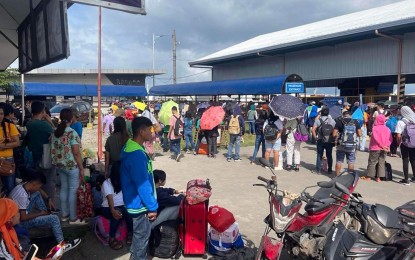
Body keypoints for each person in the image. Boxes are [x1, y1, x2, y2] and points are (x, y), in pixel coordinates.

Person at [9, 171, 81, 251]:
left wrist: (48, 199)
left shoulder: (23, 185)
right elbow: (23, 218)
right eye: (40, 185)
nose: (40, 188)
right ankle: (63, 245)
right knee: (54, 218)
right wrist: (40, 214)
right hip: (20, 223)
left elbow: (39, 190)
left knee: (37, 194)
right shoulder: (22, 196)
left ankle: (45, 215)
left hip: (18, 214)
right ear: (34, 183)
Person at [120, 116, 158, 260]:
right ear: (142, 132)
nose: (152, 133)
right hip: (140, 204)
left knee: (138, 238)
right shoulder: (136, 155)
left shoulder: (132, 147)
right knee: (142, 239)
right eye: (150, 130)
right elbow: (142, 185)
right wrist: (152, 206)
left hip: (134, 201)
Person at [50, 108, 85, 225]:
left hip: (60, 166)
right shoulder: (71, 133)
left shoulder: (55, 132)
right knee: (73, 190)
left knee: (64, 188)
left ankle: (64, 215)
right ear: (71, 118)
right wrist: (81, 167)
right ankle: (73, 218)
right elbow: (76, 152)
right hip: (72, 166)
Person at [25, 101, 56, 199]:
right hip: (46, 156)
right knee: (49, 181)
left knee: (36, 180)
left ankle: (37, 201)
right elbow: (57, 134)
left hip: (34, 155)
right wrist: (50, 121)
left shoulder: (29, 123)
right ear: (43, 111)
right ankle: (49, 203)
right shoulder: (44, 125)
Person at [100, 162, 133, 250]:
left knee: (129, 211)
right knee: (118, 212)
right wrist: (113, 210)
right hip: (107, 208)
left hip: (122, 206)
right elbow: (110, 199)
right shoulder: (106, 183)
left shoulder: (125, 181)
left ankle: (130, 233)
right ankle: (112, 238)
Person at [362, 114, 392, 182]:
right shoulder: (387, 129)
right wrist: (386, 146)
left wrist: (381, 146)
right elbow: (390, 139)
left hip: (375, 147)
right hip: (385, 148)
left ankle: (369, 176)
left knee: (372, 162)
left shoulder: (375, 128)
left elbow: (376, 138)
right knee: (381, 162)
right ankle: (378, 178)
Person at [332, 110, 362, 176]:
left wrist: (338, 135)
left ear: (343, 115)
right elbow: (360, 134)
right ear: (351, 115)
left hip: (341, 144)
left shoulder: (339, 122)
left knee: (339, 161)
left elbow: (334, 134)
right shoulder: (355, 122)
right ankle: (350, 177)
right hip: (352, 145)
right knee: (351, 162)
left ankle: (337, 176)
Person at [0, 104, 20, 195]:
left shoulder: (9, 126)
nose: (0, 116)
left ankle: (10, 208)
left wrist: (3, 146)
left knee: (10, 188)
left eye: (1, 113)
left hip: (7, 161)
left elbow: (17, 142)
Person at [311, 107, 335, 174]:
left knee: (319, 155)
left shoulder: (318, 120)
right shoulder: (332, 121)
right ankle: (330, 169)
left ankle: (318, 170)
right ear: (328, 113)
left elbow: (313, 130)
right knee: (329, 155)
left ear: (321, 113)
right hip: (329, 140)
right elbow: (335, 130)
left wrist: (315, 137)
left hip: (320, 140)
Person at [395, 106, 415, 185]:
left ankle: (406, 180)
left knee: (405, 160)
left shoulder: (401, 122)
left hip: (405, 144)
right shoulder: (414, 120)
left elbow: (398, 135)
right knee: (413, 160)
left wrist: (398, 143)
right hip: (414, 144)